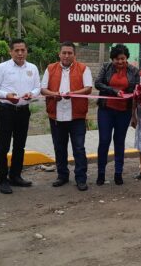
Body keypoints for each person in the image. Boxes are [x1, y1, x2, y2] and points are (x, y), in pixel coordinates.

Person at [0, 39, 41, 194]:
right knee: (3, 146)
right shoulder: (2, 67)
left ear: (26, 51)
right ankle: (2, 179)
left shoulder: (32, 68)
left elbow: (38, 87)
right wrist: (6, 95)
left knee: (20, 145)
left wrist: (31, 94)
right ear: (10, 52)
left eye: (23, 50)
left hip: (23, 111)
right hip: (6, 110)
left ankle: (16, 176)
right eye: (16, 50)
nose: (20, 53)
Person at [40, 41, 93, 191]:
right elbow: (43, 89)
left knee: (79, 148)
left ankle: (81, 178)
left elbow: (88, 88)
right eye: (64, 52)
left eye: (70, 53)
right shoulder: (50, 68)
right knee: (59, 148)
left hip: (77, 116)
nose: (66, 55)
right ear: (59, 54)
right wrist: (53, 94)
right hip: (56, 116)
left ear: (74, 55)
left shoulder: (83, 69)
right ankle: (62, 176)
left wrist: (73, 94)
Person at [95, 44, 140, 186]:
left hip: (124, 112)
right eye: (116, 59)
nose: (120, 62)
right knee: (104, 141)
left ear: (126, 58)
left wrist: (134, 114)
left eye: (122, 58)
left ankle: (118, 173)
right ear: (112, 59)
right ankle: (101, 173)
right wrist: (114, 91)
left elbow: (136, 91)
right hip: (106, 110)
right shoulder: (106, 67)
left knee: (119, 142)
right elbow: (98, 83)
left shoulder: (134, 71)